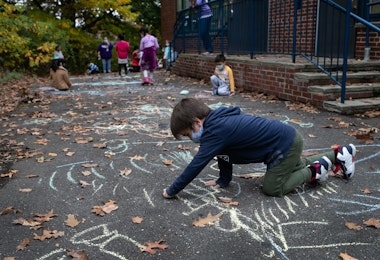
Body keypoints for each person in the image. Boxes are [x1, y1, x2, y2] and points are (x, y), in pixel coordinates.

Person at [162, 98, 356, 199]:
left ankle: (314, 171)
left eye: (188, 134)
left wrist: (172, 190)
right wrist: (223, 180)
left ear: (196, 122)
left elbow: (197, 164)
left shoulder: (216, 130)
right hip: (286, 141)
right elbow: (223, 154)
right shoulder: (216, 125)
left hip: (284, 146)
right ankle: (339, 153)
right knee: (293, 165)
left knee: (273, 188)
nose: (191, 138)